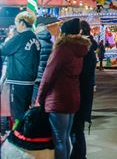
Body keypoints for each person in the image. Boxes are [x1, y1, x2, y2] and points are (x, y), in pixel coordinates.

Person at [37, 18, 90, 159]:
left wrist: (40, 98)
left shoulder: (62, 49)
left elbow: (48, 75)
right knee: (65, 137)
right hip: (73, 97)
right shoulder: (80, 50)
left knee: (59, 139)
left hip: (58, 98)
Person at [1, 11, 40, 124]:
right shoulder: (34, 38)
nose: (16, 25)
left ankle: (18, 135)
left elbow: (3, 50)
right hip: (30, 80)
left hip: (18, 80)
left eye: (16, 22)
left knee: (17, 112)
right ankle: (23, 133)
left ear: (22, 23)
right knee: (25, 109)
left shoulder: (20, 38)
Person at [71, 20, 99, 159]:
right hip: (83, 92)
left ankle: (79, 155)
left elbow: (82, 73)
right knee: (77, 128)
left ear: (80, 32)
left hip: (79, 92)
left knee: (76, 128)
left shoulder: (85, 50)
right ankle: (79, 154)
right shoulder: (89, 49)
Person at [32, 15, 61, 104]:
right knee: (43, 100)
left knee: (34, 101)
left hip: (37, 76)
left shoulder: (36, 43)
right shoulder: (51, 43)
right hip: (47, 76)